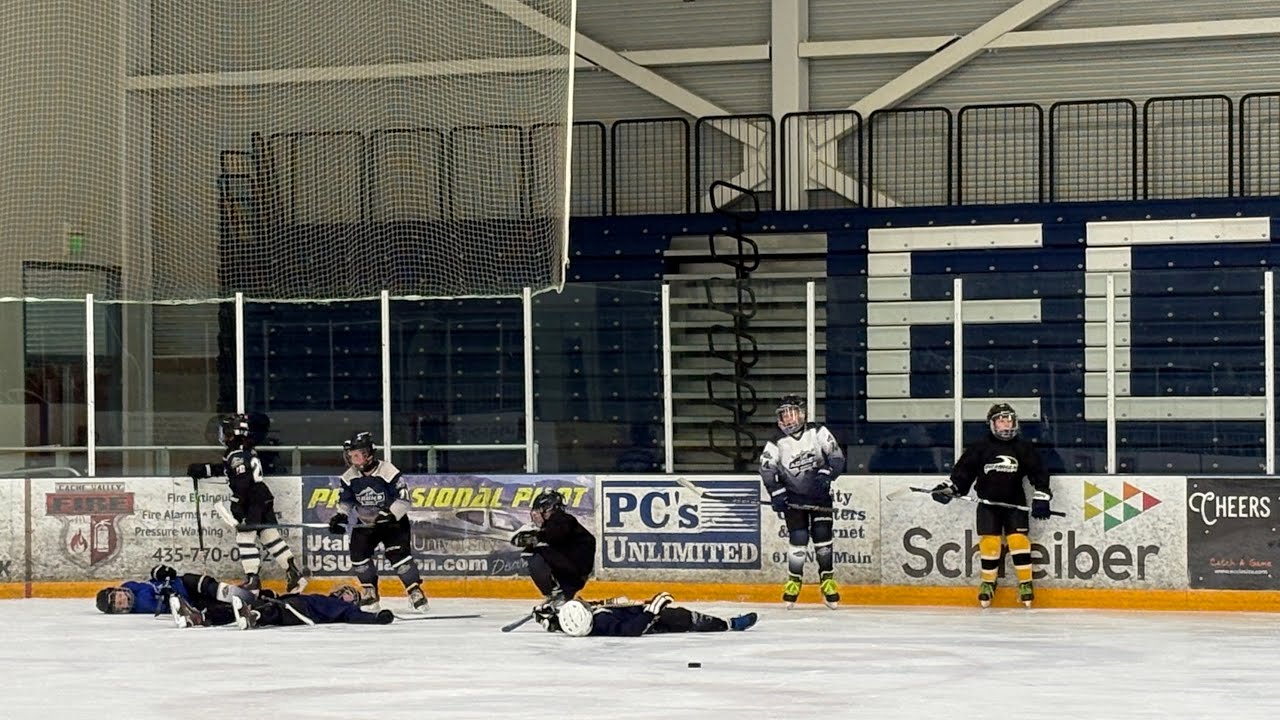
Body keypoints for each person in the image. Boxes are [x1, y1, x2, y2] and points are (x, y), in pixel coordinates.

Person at [931, 402, 1053, 608]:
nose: (1006, 425)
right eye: (1001, 421)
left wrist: (1042, 495)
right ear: (992, 424)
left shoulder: (1023, 447)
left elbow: (1038, 473)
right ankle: (988, 582)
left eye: (1009, 420)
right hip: (987, 505)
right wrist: (950, 489)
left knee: (1018, 541)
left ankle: (1026, 583)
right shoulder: (980, 448)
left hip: (1015, 504)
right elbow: (963, 474)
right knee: (990, 543)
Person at [188, 413, 307, 594]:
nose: (222, 436)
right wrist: (205, 469)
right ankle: (293, 572)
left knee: (244, 537)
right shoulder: (246, 450)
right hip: (262, 496)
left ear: (232, 434)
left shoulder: (236, 454)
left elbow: (243, 481)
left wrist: (237, 503)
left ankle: (253, 580)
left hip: (251, 500)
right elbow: (230, 470)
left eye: (225, 432)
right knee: (269, 536)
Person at [758, 394, 846, 608]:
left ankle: (827, 580)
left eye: (792, 414)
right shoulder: (776, 441)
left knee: (823, 536)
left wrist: (827, 473)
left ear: (802, 414)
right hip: (793, 499)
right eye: (784, 415)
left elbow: (837, 457)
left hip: (820, 497)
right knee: (799, 537)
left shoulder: (818, 432)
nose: (788, 419)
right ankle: (794, 581)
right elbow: (766, 469)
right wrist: (776, 493)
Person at [327, 431, 428, 613]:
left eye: (357, 455)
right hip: (365, 524)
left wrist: (391, 514)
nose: (353, 459)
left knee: (399, 556)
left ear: (369, 454)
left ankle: (415, 591)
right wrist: (341, 516)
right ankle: (369, 592)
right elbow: (346, 501)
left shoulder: (388, 471)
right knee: (359, 557)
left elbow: (404, 499)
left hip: (393, 523)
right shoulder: (349, 477)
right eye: (351, 455)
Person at [510, 489, 596, 607]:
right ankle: (558, 593)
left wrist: (535, 538)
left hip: (575, 572)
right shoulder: (556, 523)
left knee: (533, 554)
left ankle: (556, 592)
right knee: (535, 552)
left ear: (549, 509)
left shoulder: (562, 519)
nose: (535, 514)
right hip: (575, 572)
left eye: (539, 510)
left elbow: (554, 535)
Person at [534, 592, 757, 637]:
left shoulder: (579, 623)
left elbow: (567, 620)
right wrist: (652, 611)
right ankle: (729, 624)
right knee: (684, 617)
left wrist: (548, 617)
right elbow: (631, 630)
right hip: (652, 621)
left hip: (637, 611)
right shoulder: (603, 621)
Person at [95, 563, 249, 627]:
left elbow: (151, 579)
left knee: (202, 584)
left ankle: (230, 591)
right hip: (190, 602)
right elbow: (165, 607)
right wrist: (167, 597)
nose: (122, 600)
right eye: (118, 604)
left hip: (182, 583)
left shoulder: (129, 586)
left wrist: (160, 571)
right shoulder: (141, 607)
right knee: (212, 609)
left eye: (118, 596)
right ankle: (240, 607)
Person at [228, 584, 395, 630]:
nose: (343, 592)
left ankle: (254, 616)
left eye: (349, 593)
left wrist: (377, 618)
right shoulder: (324, 598)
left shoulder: (346, 608)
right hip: (299, 604)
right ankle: (248, 614)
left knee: (276, 611)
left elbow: (356, 617)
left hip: (305, 611)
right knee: (274, 607)